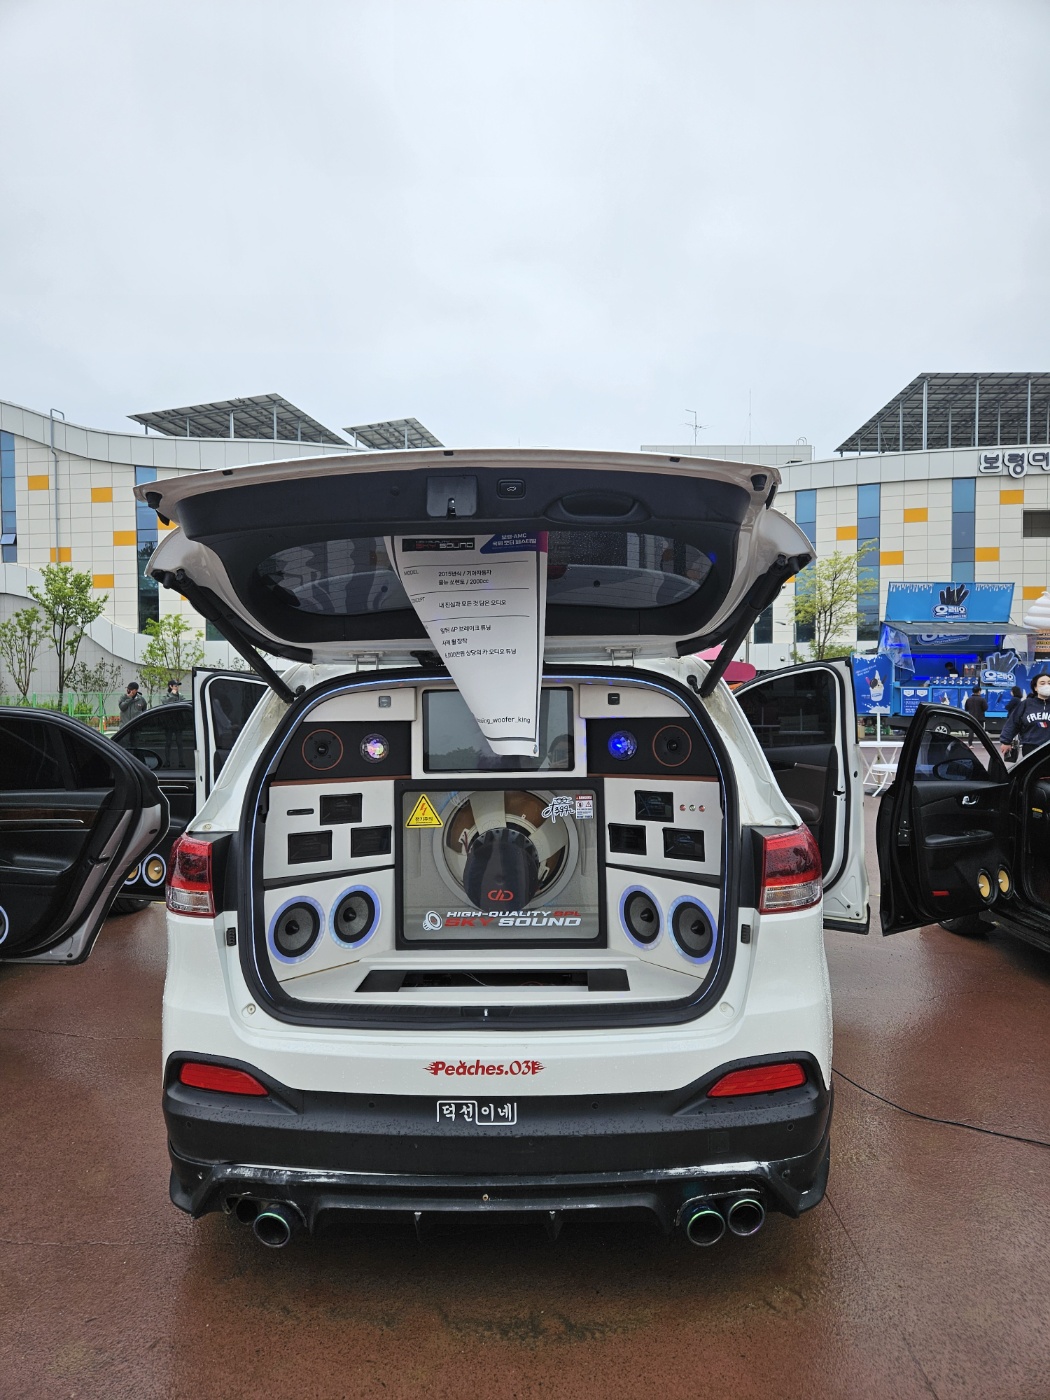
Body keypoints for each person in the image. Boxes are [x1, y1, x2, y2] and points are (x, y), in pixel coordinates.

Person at [1000, 673, 1050, 758]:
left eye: (1049, 683)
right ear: (1035, 688)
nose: (1046, 686)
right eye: (1042, 683)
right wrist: (1006, 741)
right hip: (1031, 746)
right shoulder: (1026, 704)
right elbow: (1013, 722)